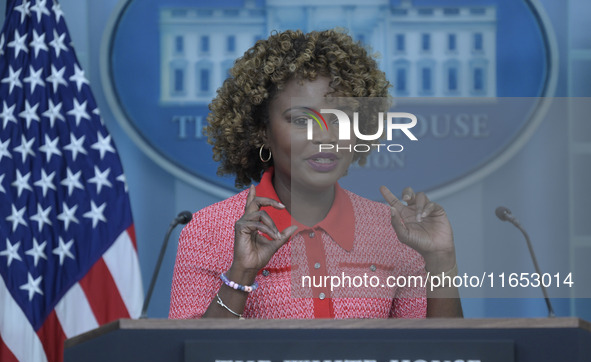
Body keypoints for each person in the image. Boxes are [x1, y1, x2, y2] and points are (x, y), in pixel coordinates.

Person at [169, 29, 463, 319]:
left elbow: (439, 361)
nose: (326, 136)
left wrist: (440, 259)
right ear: (262, 132)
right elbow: (190, 361)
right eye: (301, 120)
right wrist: (242, 273)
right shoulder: (207, 230)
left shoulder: (394, 231)